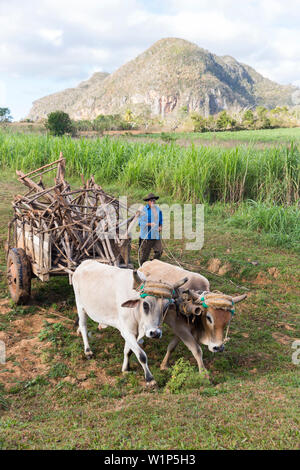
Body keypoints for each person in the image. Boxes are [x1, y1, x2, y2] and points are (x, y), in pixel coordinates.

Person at [138, 192, 163, 265]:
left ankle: (152, 264)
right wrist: (150, 224)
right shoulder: (144, 210)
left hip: (155, 234)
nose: (152, 202)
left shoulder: (158, 210)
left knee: (159, 251)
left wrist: (160, 226)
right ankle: (142, 268)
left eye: (154, 200)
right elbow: (140, 223)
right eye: (151, 200)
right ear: (148, 201)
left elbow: (160, 220)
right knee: (144, 256)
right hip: (146, 236)